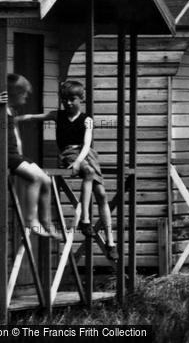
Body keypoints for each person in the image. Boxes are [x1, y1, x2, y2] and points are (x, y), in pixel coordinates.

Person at [17, 80, 117, 261]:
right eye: (65, 100)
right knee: (88, 172)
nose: (68, 103)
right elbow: (34, 117)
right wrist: (14, 119)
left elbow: (87, 144)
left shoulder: (87, 120)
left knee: (101, 194)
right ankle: (85, 219)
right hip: (68, 152)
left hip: (86, 154)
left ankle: (111, 242)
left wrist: (80, 161)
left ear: (80, 99)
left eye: (72, 99)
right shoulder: (58, 116)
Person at [0, 73, 61, 241]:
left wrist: (23, 156)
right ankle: (31, 220)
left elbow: (16, 137)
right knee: (35, 178)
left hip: (14, 155)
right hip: (4, 155)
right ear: (15, 93)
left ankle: (46, 221)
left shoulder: (10, 111)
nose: (27, 97)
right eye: (24, 93)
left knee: (45, 180)